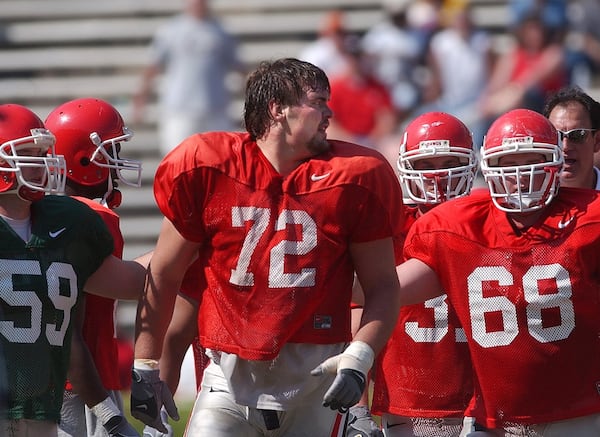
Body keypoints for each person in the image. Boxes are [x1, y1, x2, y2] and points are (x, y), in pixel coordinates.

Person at [130, 57, 405, 436]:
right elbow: (164, 271)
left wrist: (359, 357)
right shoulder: (209, 165)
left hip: (317, 379)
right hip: (228, 377)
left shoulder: (357, 175)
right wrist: (145, 362)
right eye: (318, 101)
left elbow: (382, 286)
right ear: (278, 109)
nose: (329, 112)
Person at [396, 108, 600, 436]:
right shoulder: (456, 224)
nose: (522, 174)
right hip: (495, 417)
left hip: (577, 409)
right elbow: (386, 289)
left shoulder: (591, 217)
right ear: (489, 167)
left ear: (556, 163)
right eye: (510, 164)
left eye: (531, 160)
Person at [0, 103, 145, 436]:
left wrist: (185, 246)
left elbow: (72, 328)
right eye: (29, 154)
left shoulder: (64, 220)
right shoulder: (81, 218)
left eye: (42, 153)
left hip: (48, 395)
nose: (42, 164)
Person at [347, 112, 478, 437]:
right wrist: (358, 406)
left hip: (489, 397)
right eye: (426, 166)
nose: (438, 177)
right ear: (407, 167)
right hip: (410, 400)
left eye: (449, 163)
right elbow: (356, 317)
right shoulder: (384, 227)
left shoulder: (490, 220)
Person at [45, 97, 144, 437]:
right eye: (111, 152)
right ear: (85, 159)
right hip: (81, 387)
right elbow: (132, 284)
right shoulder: (93, 218)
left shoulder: (41, 216)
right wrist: (187, 252)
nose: (118, 163)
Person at [132, 0, 243, 156]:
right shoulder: (171, 30)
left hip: (215, 108)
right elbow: (153, 66)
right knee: (177, 160)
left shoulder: (221, 31)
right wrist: (141, 99)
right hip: (180, 109)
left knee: (220, 160)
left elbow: (239, 67)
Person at [478, 12, 568, 120]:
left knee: (523, 94)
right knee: (487, 107)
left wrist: (512, 92)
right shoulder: (514, 54)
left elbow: (534, 78)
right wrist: (488, 98)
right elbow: (497, 82)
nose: (535, 34)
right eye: (530, 30)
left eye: (537, 30)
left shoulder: (552, 53)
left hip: (542, 102)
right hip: (509, 100)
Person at [543, 85, 600, 189]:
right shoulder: (531, 200)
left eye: (577, 135)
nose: (565, 146)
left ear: (597, 141)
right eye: (556, 136)